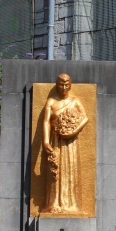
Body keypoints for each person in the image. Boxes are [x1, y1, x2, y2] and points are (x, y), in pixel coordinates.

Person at [38, 73, 89, 214]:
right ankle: (53, 203)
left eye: (67, 84)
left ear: (70, 84)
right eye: (61, 84)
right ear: (56, 84)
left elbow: (85, 118)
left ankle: (70, 204)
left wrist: (74, 131)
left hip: (71, 143)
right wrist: (46, 142)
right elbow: (46, 122)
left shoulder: (75, 101)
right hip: (55, 141)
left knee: (70, 171)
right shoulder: (51, 102)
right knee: (55, 171)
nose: (64, 87)